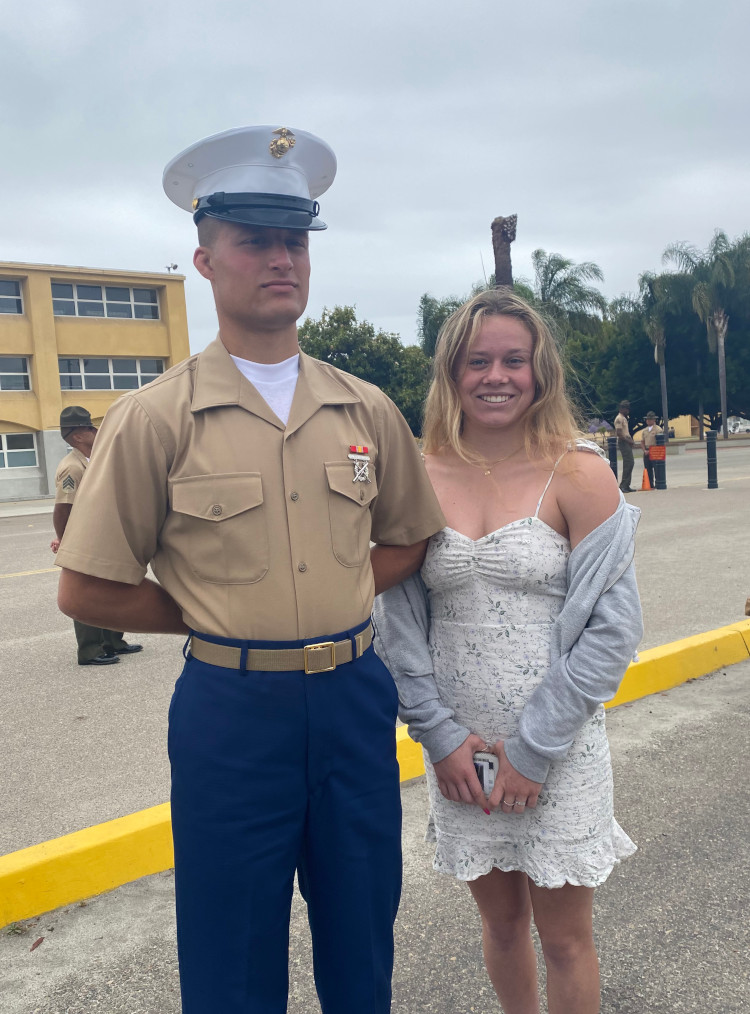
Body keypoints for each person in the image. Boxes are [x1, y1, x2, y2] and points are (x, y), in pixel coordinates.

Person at [55, 124, 444, 1014]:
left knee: (362, 941)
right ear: (205, 259)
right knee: (231, 960)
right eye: (254, 240)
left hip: (351, 703)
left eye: (295, 240)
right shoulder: (157, 419)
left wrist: (337, 596)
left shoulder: (365, 406)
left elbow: (409, 539)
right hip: (232, 716)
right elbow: (88, 585)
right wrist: (211, 611)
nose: (281, 259)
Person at [374, 289, 642, 1014]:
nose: (496, 376)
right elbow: (396, 624)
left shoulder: (580, 473)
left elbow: (612, 631)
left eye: (513, 360)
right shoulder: (418, 479)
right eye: (477, 361)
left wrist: (534, 748)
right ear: (451, 374)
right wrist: (440, 736)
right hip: (460, 754)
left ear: (540, 370)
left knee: (565, 940)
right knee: (499, 925)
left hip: (557, 749)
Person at [51, 405, 142, 665]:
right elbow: (62, 508)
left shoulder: (95, 459)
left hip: (106, 535)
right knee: (87, 593)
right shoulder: (72, 468)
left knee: (114, 589)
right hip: (85, 540)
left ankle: (113, 641)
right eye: (90, 427)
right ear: (78, 436)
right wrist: (67, 542)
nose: (96, 430)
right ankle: (90, 651)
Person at [614, 399, 637, 492]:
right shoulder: (619, 418)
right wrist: (629, 441)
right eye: (626, 409)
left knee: (630, 463)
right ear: (622, 408)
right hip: (623, 442)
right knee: (629, 463)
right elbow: (619, 433)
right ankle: (623, 485)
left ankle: (627, 485)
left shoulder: (623, 418)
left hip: (626, 441)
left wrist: (630, 440)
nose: (628, 411)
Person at [640, 410, 663, 489]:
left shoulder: (658, 429)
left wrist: (651, 451)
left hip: (654, 450)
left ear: (654, 420)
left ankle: (658, 483)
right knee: (648, 468)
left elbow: (659, 442)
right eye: (647, 419)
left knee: (656, 468)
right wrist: (644, 450)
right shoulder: (645, 430)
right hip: (646, 449)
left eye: (650, 419)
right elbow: (642, 441)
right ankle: (650, 484)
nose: (648, 421)